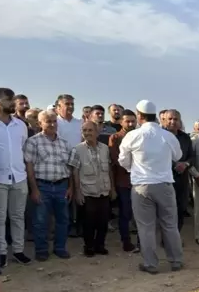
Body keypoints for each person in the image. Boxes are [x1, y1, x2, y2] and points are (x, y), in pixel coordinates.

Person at [118, 100, 184, 274]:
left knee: (146, 227)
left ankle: (151, 264)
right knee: (170, 224)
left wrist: (133, 169)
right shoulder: (167, 136)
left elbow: (123, 160)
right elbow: (178, 156)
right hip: (164, 185)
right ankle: (176, 260)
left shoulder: (132, 136)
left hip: (141, 186)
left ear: (139, 116)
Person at [0, 88, 31, 268]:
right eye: (9, 100)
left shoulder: (21, 125)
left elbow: (23, 149)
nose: (13, 103)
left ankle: (18, 250)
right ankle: (1, 252)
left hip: (19, 177)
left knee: (18, 216)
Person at [23, 110, 73, 261]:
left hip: (62, 186)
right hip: (42, 187)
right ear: (40, 124)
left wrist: (70, 187)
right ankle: (42, 250)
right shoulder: (33, 142)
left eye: (54, 121)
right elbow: (29, 168)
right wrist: (34, 189)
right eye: (48, 121)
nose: (52, 124)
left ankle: (59, 248)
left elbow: (70, 167)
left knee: (63, 220)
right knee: (40, 221)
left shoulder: (64, 143)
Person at [69, 121, 116, 257]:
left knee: (103, 222)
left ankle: (100, 245)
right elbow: (75, 172)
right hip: (88, 192)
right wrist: (78, 192)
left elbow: (109, 170)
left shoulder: (105, 148)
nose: (87, 133)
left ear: (97, 132)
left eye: (90, 130)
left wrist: (112, 188)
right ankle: (89, 246)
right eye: (85, 130)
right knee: (88, 222)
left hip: (104, 190)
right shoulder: (77, 149)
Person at [108, 110, 138, 252]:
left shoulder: (140, 137)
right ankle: (126, 241)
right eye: (127, 121)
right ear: (121, 122)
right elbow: (116, 160)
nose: (131, 124)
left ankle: (141, 241)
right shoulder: (115, 138)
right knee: (125, 213)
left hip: (139, 181)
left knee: (140, 214)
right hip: (123, 182)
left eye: (133, 121)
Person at [163, 110, 193, 232]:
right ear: (164, 120)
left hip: (182, 180)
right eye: (170, 119)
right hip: (164, 179)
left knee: (180, 209)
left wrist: (185, 164)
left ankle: (175, 236)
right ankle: (165, 238)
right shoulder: (159, 136)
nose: (173, 122)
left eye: (176, 119)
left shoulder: (185, 138)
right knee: (165, 210)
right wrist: (175, 165)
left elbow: (192, 156)